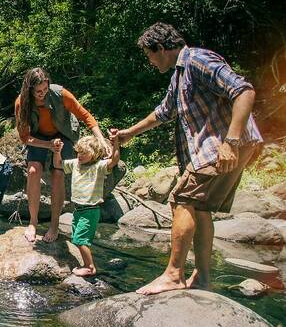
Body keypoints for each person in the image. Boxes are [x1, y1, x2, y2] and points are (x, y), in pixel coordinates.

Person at [115, 22, 263, 295]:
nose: (149, 61)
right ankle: (203, 278)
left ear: (160, 48)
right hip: (222, 147)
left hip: (224, 145)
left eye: (149, 55)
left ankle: (173, 275)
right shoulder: (178, 76)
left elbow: (244, 91)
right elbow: (163, 113)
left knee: (182, 199)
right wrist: (128, 134)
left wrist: (230, 141)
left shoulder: (196, 59)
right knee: (200, 206)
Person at [15, 67, 111, 243]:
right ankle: (33, 222)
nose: (42, 94)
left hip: (64, 133)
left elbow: (86, 116)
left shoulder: (61, 94)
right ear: (29, 89)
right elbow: (24, 137)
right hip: (39, 137)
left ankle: (54, 225)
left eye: (45, 89)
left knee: (58, 172)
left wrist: (102, 140)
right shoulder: (21, 103)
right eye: (38, 91)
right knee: (33, 171)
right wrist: (48, 146)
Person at [53, 132, 120, 276]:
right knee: (77, 238)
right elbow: (57, 164)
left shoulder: (99, 167)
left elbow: (114, 161)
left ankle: (90, 267)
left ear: (95, 154)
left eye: (84, 153)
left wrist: (115, 144)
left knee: (80, 240)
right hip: (78, 210)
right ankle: (87, 263)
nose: (80, 156)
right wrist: (57, 151)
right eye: (79, 152)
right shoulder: (75, 164)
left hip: (90, 210)